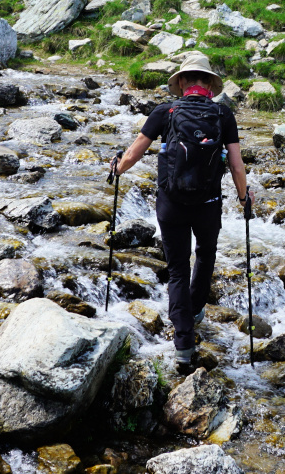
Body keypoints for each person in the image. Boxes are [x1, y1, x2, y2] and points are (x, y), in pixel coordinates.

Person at [110, 55, 251, 368]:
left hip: (171, 203)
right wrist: (243, 198)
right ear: (209, 84)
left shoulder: (165, 110)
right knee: (205, 255)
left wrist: (117, 168)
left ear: (183, 82)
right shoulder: (223, 113)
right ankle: (196, 307)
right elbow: (237, 166)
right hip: (208, 204)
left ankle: (183, 346)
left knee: (177, 270)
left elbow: (134, 152)